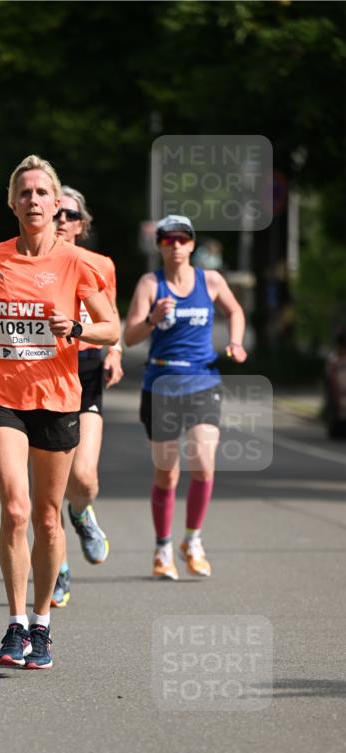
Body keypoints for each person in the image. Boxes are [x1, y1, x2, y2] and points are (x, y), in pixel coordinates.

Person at [0, 154, 118, 669]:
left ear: (56, 205)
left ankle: (43, 626)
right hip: (2, 394)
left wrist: (76, 329)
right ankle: (14, 624)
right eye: (24, 193)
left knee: (49, 521)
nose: (33, 201)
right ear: (13, 202)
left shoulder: (76, 263)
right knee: (15, 509)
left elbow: (111, 326)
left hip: (57, 397)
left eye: (42, 194)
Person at [124, 214, 246, 580]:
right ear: (160, 245)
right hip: (160, 384)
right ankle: (163, 547)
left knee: (204, 463)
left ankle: (192, 541)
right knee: (167, 475)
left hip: (202, 382)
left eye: (182, 239)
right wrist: (151, 318)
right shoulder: (150, 283)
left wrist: (235, 342)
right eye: (167, 239)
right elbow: (129, 336)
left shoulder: (210, 280)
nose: (175, 245)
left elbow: (235, 310)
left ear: (192, 245)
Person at [50, 186, 123, 608]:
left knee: (82, 478)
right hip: (40, 375)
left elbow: (109, 318)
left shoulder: (100, 265)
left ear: (83, 223)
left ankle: (80, 513)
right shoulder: (32, 263)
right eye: (57, 212)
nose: (62, 220)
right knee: (47, 487)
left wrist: (115, 352)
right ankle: (57, 571)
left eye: (71, 215)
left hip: (87, 370)